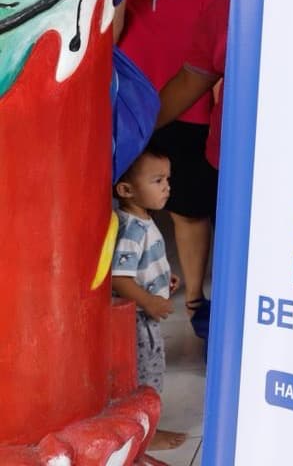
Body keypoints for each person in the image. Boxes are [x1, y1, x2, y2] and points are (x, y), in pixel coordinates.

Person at [116, 0, 218, 323]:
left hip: (190, 119)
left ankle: (194, 299)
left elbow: (216, 63)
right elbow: (109, 36)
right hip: (132, 120)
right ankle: (131, 290)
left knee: (187, 210)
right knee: (129, 207)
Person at [111, 148, 188, 452]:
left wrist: (162, 280)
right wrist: (149, 301)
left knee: (152, 375)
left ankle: (147, 427)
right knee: (144, 379)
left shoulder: (143, 219)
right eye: (157, 181)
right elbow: (119, 278)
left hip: (145, 315)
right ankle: (145, 435)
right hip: (138, 321)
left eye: (167, 179)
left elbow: (141, 268)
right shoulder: (131, 229)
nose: (166, 187)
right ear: (126, 190)